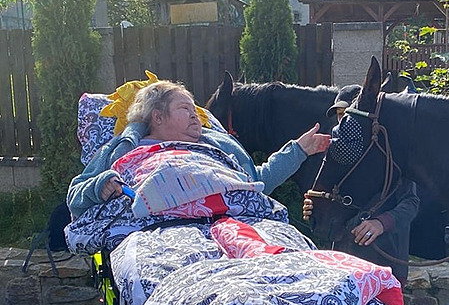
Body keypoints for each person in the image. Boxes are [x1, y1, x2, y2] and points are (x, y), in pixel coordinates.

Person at [67, 80, 330, 219]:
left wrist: (299, 150)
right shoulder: (127, 150)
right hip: (162, 229)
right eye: (185, 110)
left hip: (234, 220)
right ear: (157, 117)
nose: (196, 117)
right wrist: (99, 186)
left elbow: (255, 182)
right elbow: (76, 196)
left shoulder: (214, 146)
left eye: (195, 111)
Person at [304, 85, 420, 287]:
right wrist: (315, 206)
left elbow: (411, 202)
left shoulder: (390, 154)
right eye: (339, 115)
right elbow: (329, 201)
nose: (342, 121)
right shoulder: (337, 157)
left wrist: (381, 223)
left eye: (346, 114)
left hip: (386, 263)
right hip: (345, 261)